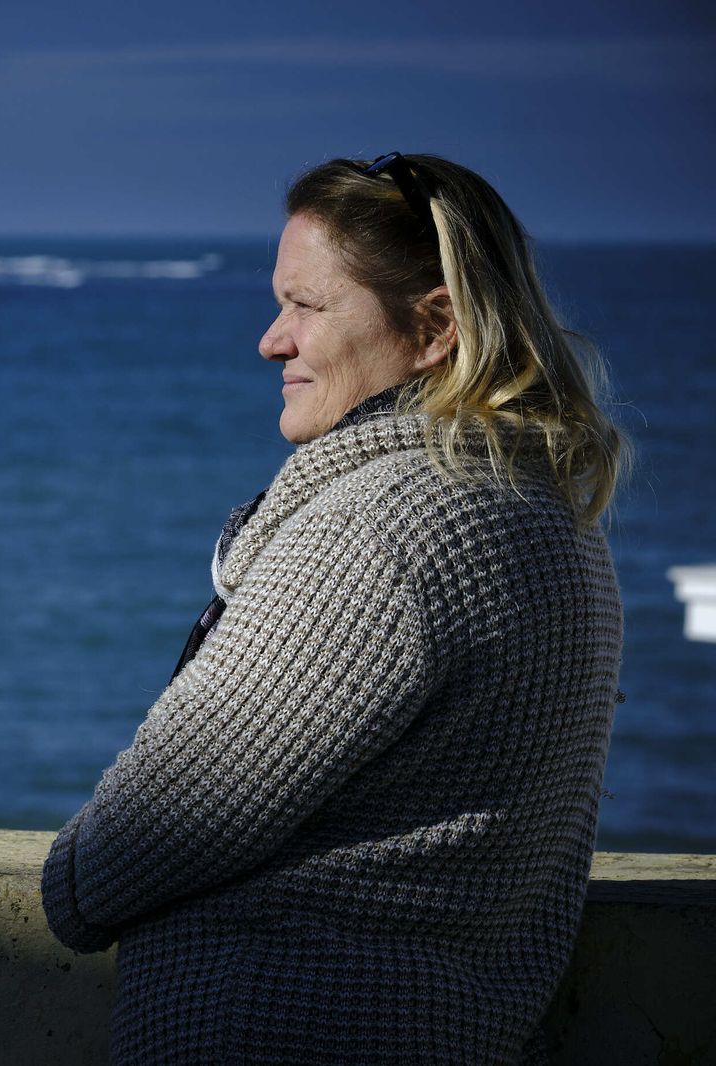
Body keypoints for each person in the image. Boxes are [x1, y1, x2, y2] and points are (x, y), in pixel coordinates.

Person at [40, 152, 626, 1064]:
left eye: (307, 308)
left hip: (277, 1029)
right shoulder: (549, 512)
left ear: (434, 327)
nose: (273, 341)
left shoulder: (381, 529)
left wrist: (71, 873)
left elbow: (116, 863)